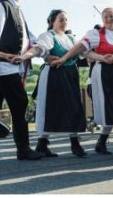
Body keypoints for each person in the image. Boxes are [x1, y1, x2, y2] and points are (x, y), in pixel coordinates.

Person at [52, 8, 113, 155]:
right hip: (104, 73)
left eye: (111, 16)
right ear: (102, 20)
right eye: (105, 17)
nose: (109, 19)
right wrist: (65, 58)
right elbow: (82, 49)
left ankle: (101, 143)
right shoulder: (96, 34)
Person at [0, 0, 43, 160]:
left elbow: (29, 38)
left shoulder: (17, 9)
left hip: (9, 69)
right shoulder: (0, 6)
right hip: (2, 68)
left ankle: (23, 149)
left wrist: (44, 50)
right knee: (20, 102)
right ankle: (23, 149)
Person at [23, 9, 87, 157]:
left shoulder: (71, 38)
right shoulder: (48, 36)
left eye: (66, 19)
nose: (64, 22)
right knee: (49, 106)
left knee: (74, 106)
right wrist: (29, 55)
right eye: (61, 20)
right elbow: (41, 48)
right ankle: (42, 143)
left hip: (71, 73)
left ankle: (74, 142)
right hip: (53, 74)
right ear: (53, 22)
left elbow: (83, 50)